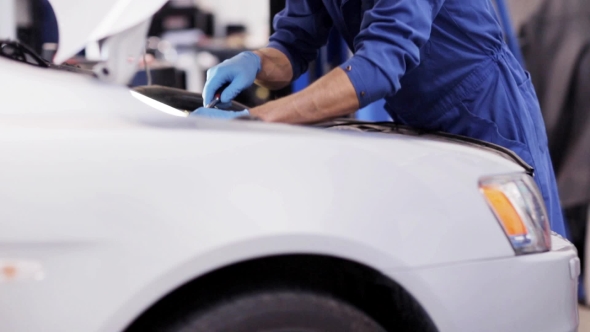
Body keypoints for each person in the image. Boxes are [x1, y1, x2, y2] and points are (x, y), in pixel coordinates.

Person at [197, 0, 566, 236]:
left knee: (518, 259)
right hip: (416, 120)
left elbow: (378, 67)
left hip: (486, 115)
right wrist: (256, 62)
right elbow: (293, 45)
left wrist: (255, 122)